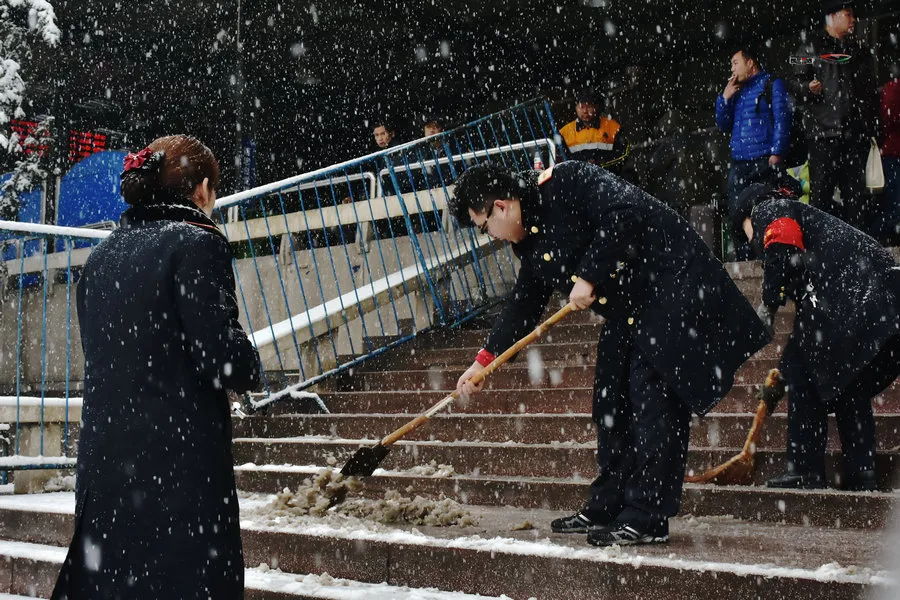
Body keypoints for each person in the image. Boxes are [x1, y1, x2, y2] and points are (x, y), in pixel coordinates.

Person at [451, 162, 769, 547]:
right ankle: (609, 502)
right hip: (629, 308)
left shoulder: (567, 181)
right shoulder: (529, 241)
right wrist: (483, 362)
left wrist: (588, 275)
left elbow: (625, 213)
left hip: (671, 286)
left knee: (653, 403)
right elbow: (524, 303)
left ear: (500, 207)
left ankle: (648, 515)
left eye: (484, 227)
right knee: (609, 398)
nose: (491, 236)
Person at [51, 135, 261, 599]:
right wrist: (250, 360)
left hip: (106, 466)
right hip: (177, 470)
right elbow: (221, 360)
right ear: (202, 190)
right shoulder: (196, 243)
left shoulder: (103, 256)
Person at [731, 176, 900, 491]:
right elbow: (807, 331)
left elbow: (783, 235)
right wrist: (782, 370)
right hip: (884, 298)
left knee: (807, 375)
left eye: (745, 232)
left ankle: (804, 468)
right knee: (851, 380)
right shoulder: (817, 236)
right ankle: (861, 472)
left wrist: (768, 306)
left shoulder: (770, 209)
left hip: (856, 296)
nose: (752, 244)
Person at [788, 0, 878, 231]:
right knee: (821, 200)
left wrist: (869, 127)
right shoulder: (811, 48)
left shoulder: (859, 52)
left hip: (854, 136)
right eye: (848, 14)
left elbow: (870, 92)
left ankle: (859, 254)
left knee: (857, 200)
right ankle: (820, 256)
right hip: (823, 135)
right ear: (833, 16)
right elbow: (794, 82)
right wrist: (809, 87)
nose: (853, 20)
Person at [715, 46, 792, 260]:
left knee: (764, 211)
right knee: (735, 212)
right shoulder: (736, 90)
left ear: (750, 63)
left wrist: (777, 152)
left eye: (735, 63)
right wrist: (724, 98)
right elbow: (723, 124)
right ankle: (746, 258)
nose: (732, 68)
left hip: (763, 159)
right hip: (739, 161)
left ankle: (768, 257)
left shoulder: (771, 84)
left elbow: (782, 120)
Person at [558, 89, 629, 173]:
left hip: (608, 179)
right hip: (578, 182)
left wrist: (601, 164)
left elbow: (624, 153)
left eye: (589, 106)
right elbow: (560, 161)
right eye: (581, 107)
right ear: (576, 108)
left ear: (596, 107)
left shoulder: (613, 127)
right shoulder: (564, 132)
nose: (585, 111)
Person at [871, 67, 900, 245]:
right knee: (893, 206)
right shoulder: (893, 88)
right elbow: (888, 119)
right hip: (894, 153)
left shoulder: (892, 88)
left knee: (893, 205)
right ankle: (873, 240)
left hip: (892, 150)